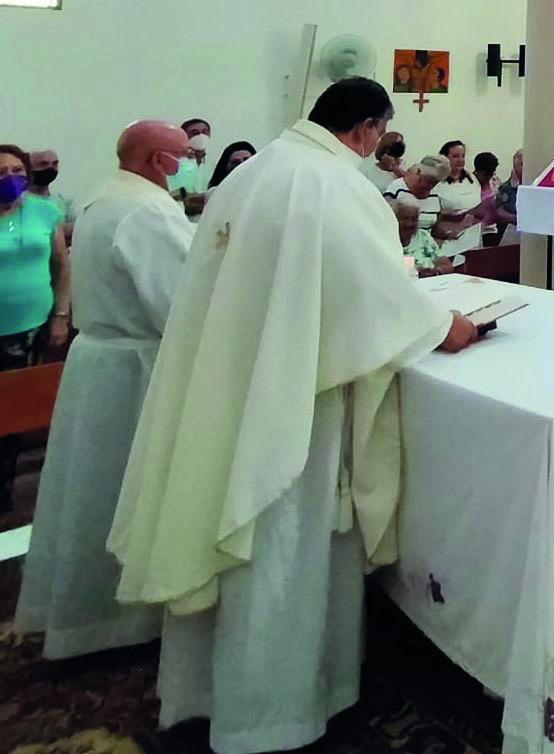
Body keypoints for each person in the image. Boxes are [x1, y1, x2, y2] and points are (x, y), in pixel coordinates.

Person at [106, 78, 478, 754]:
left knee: (225, 521)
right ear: (368, 128)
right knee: (280, 540)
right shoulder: (332, 183)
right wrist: (441, 323)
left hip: (228, 382)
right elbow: (369, 296)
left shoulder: (256, 172)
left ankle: (208, 693)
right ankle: (275, 713)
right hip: (289, 398)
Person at [14, 121, 195, 659]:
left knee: (87, 489)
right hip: (134, 369)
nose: (188, 165)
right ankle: (119, 620)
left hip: (101, 358)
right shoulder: (147, 211)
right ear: (161, 161)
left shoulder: (102, 195)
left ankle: (76, 609)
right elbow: (181, 303)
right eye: (184, 156)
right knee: (124, 489)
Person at [0, 144, 70, 510]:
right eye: (1, 172)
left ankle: (4, 495)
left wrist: (60, 315)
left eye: (16, 171)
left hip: (31, 329)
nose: (9, 178)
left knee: (11, 415)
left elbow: (61, 267)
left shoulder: (45, 212)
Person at [436, 140, 482, 262]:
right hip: (447, 238)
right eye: (455, 156)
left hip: (473, 236)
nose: (460, 160)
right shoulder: (437, 182)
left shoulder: (471, 178)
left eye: (463, 156)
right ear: (445, 158)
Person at [28, 150, 76, 242]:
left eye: (55, 164)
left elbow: (77, 229)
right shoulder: (18, 201)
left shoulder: (64, 200)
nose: (50, 168)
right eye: (43, 164)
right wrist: (61, 228)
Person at [173, 118, 212, 217]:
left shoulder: (212, 166)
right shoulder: (174, 166)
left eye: (205, 132)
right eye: (195, 133)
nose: (201, 136)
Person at [473, 151, 501, 246]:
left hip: (492, 230)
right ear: (479, 172)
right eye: (487, 174)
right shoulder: (469, 185)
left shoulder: (495, 182)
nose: (489, 176)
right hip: (475, 231)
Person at [495, 148, 522, 240]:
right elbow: (499, 212)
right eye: (521, 164)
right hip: (511, 230)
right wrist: (517, 219)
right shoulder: (506, 187)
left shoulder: (535, 186)